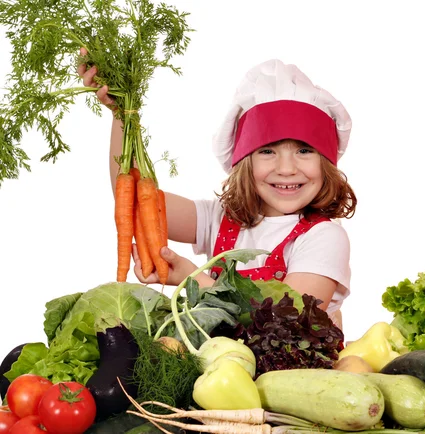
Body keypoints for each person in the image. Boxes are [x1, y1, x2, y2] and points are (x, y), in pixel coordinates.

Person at [79, 55, 356, 328]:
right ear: (244, 162)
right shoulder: (221, 217)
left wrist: (194, 279)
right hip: (224, 370)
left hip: (297, 373)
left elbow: (287, 323)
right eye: (268, 151)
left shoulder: (324, 237)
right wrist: (121, 114)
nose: (286, 168)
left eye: (304, 150)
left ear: (326, 163)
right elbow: (136, 202)